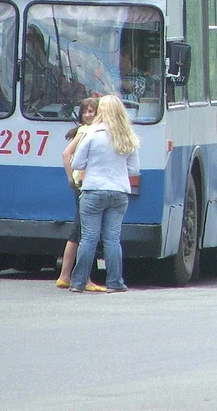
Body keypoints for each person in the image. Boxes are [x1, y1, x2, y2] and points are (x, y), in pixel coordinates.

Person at [69, 94, 140, 293]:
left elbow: (76, 163)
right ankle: (115, 282)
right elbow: (134, 169)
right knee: (112, 238)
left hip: (93, 191)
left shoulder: (92, 134)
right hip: (119, 192)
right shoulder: (127, 136)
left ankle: (78, 282)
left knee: (89, 238)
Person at [55, 97, 106, 292]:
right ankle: (83, 278)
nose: (88, 115)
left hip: (80, 183)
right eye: (85, 112)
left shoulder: (83, 131)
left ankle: (65, 276)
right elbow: (66, 154)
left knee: (78, 231)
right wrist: (71, 178)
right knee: (85, 232)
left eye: (91, 111)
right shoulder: (87, 132)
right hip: (84, 184)